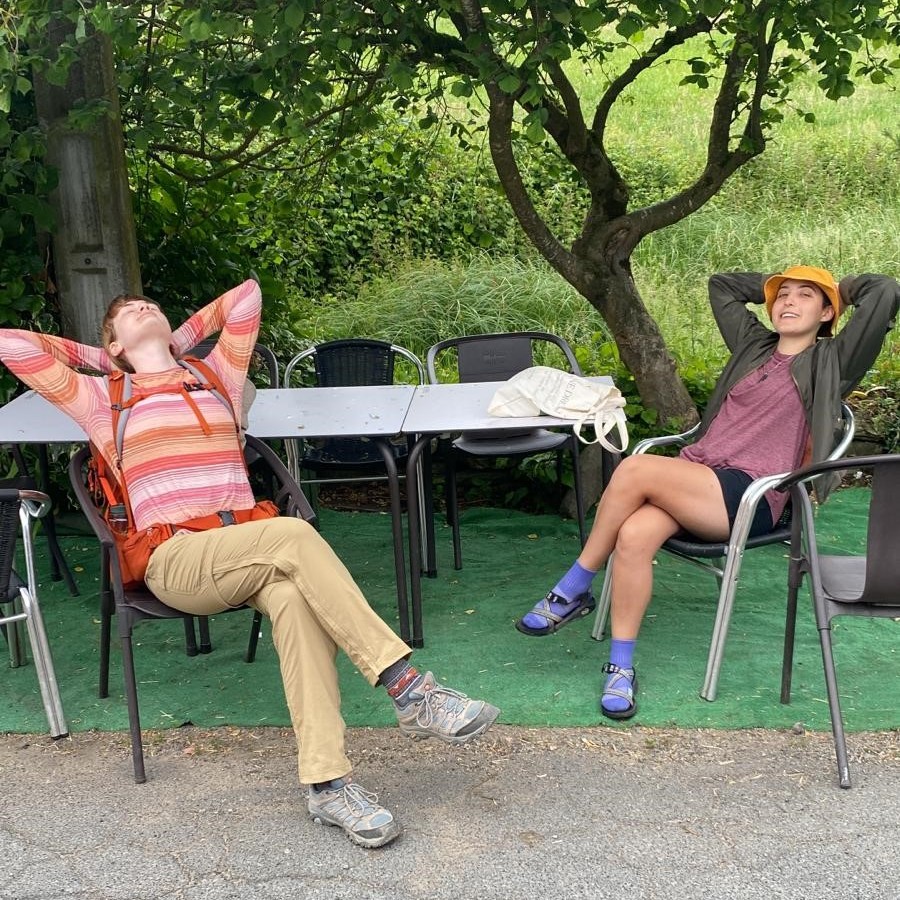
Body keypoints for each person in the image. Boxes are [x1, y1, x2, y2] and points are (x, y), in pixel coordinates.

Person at [0, 279, 499, 849]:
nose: (142, 307)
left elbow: (247, 298)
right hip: (176, 559)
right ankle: (409, 687)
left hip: (248, 548)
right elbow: (12, 346)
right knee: (291, 534)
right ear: (110, 346)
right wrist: (106, 358)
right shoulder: (100, 398)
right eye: (126, 314)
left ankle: (328, 785)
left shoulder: (217, 377)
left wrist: (171, 340)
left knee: (292, 598)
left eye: (151, 304)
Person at [515, 266, 899, 720]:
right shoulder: (753, 348)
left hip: (753, 493)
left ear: (828, 312)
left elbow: (885, 291)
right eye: (782, 296)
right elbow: (722, 286)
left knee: (635, 468)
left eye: (805, 296)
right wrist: (772, 284)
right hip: (697, 477)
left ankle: (574, 587)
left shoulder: (835, 360)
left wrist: (838, 287)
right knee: (634, 536)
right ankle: (620, 666)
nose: (788, 303)